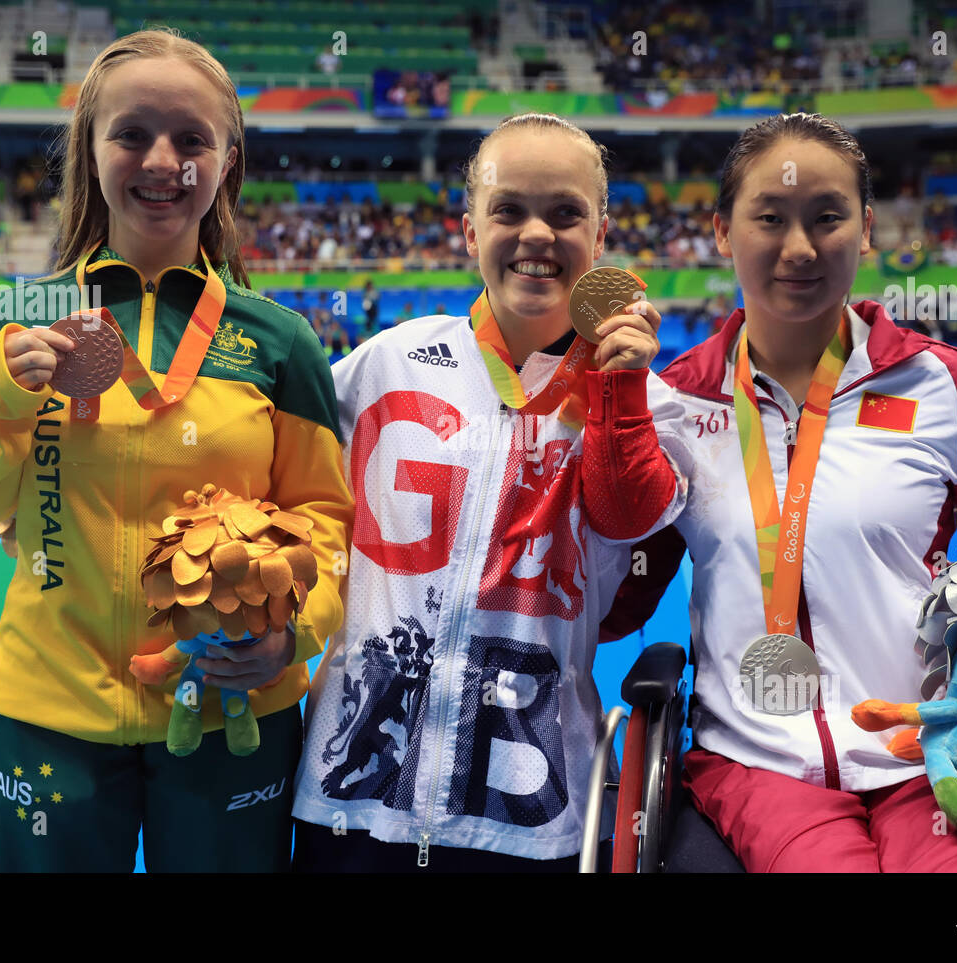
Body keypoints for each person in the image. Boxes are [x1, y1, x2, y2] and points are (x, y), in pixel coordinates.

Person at [599, 112, 957, 873]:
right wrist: (607, 420)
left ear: (865, 230)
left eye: (827, 218)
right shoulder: (676, 403)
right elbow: (619, 600)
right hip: (755, 764)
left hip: (928, 755)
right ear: (722, 232)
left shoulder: (945, 386)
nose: (799, 248)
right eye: (769, 218)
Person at [0, 29, 351, 873]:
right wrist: (5, 393)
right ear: (92, 150)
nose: (164, 160)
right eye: (132, 134)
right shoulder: (15, 318)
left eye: (192, 139)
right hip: (49, 712)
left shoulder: (281, 342)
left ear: (227, 160)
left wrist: (297, 628)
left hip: (233, 704)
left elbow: (326, 521)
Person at [291, 112, 691, 871]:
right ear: (469, 231)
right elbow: (270, 453)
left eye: (566, 212)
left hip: (528, 810)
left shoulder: (642, 400)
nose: (537, 232)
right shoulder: (388, 364)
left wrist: (619, 390)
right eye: (508, 209)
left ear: (600, 236)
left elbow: (626, 512)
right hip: (352, 793)